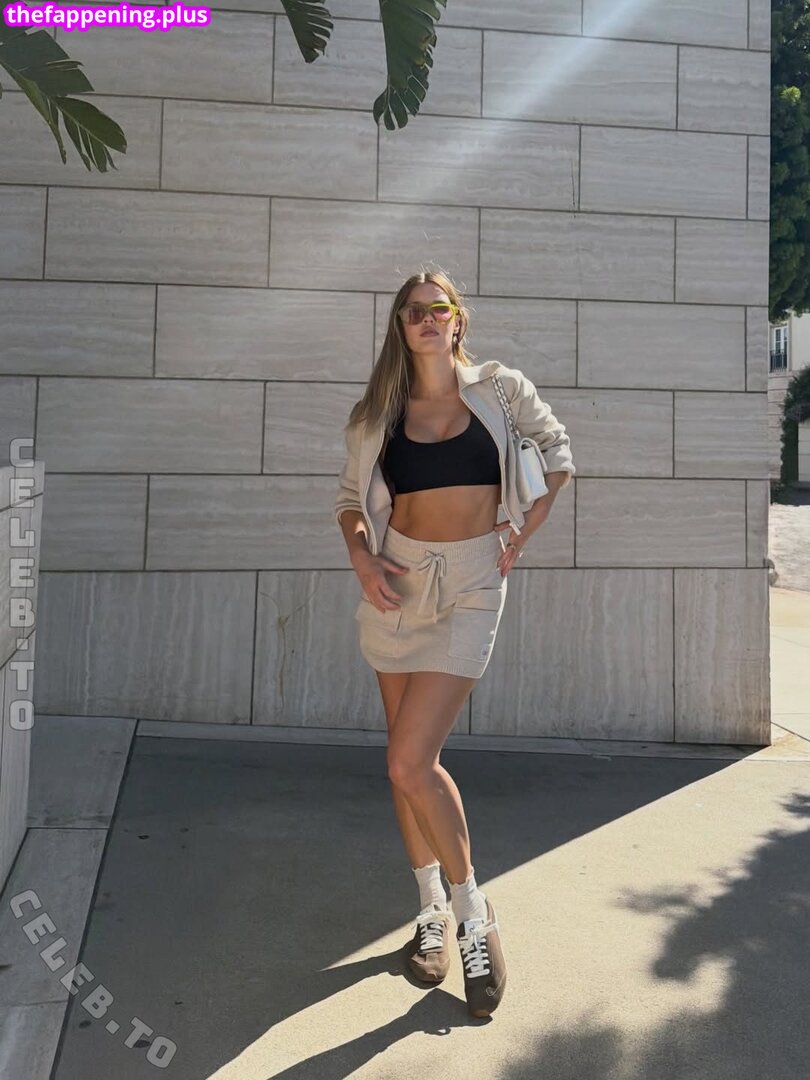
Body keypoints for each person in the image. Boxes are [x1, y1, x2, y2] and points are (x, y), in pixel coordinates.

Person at [334, 269, 575, 1018]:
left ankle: (474, 913)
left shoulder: (500, 389)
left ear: (458, 319)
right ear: (400, 327)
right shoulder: (378, 413)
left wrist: (524, 530)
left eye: (438, 308)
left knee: (413, 758)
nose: (428, 319)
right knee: (401, 763)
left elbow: (558, 454)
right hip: (399, 579)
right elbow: (349, 503)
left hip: (473, 581)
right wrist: (362, 557)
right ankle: (429, 911)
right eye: (414, 312)